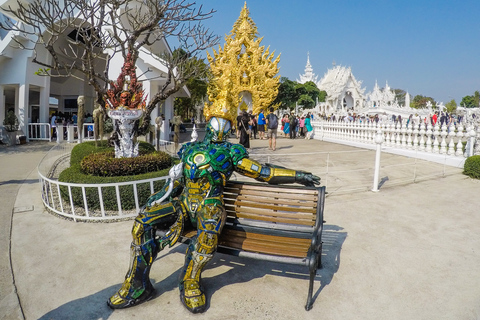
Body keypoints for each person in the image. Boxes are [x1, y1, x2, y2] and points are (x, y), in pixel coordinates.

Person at [107, 112, 320, 313]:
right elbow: (178, 181)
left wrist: (297, 175)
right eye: (215, 128)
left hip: (210, 205)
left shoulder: (231, 153)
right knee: (142, 223)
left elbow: (264, 173)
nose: (218, 133)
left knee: (207, 235)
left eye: (222, 129)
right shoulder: (190, 149)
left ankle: (190, 280)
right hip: (183, 203)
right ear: (208, 129)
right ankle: (138, 284)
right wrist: (160, 196)